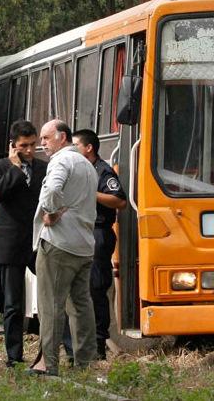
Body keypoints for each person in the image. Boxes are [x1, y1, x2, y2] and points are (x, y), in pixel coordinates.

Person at [29, 120, 99, 376]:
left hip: (59, 243)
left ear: (62, 137)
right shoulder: (88, 165)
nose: (42, 144)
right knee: (81, 305)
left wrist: (51, 212)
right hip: (84, 244)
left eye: (46, 138)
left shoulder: (61, 161)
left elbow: (51, 192)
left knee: (51, 305)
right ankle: (86, 363)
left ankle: (48, 364)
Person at [0, 120, 46, 367]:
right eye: (23, 146)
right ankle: (14, 356)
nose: (29, 151)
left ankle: (65, 349)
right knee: (12, 304)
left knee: (55, 294)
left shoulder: (45, 168)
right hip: (12, 241)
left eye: (32, 145)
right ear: (13, 145)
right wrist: (15, 168)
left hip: (40, 239)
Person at [63, 129, 128, 360]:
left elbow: (119, 200)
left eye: (77, 145)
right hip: (77, 233)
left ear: (89, 148)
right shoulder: (75, 169)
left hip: (97, 233)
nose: (73, 150)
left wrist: (92, 192)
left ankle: (99, 344)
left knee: (95, 288)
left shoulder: (102, 171)